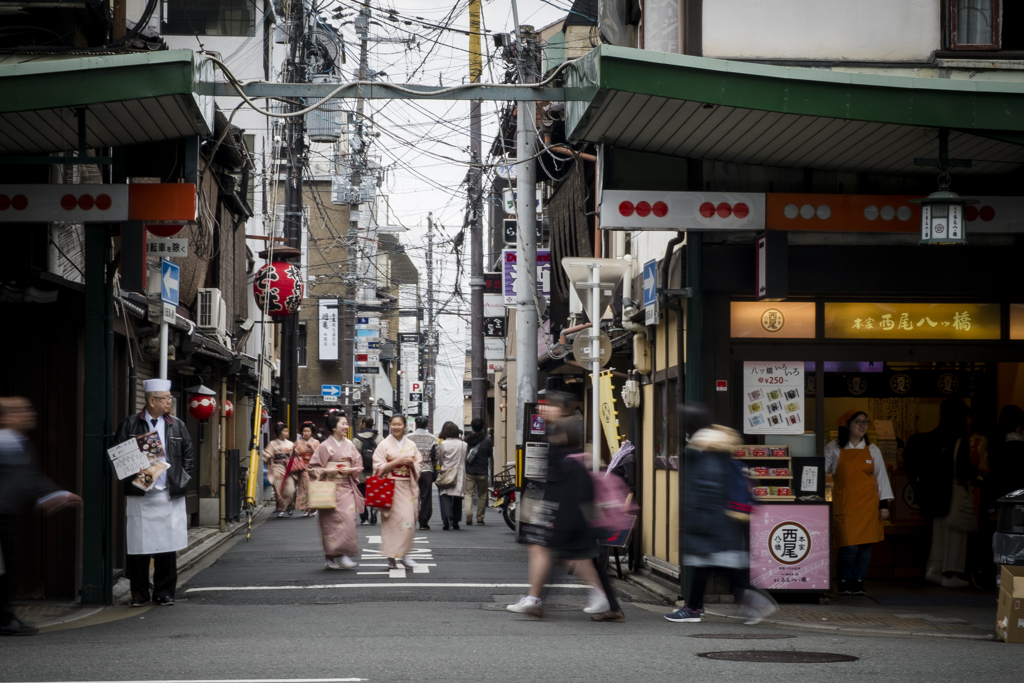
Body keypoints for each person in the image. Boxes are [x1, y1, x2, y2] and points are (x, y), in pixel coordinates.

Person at [664, 406, 776, 625]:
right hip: (721, 524)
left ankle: (699, 608)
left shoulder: (705, 452)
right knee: (712, 567)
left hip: (712, 524)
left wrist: (696, 524)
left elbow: (706, 492)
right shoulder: (715, 447)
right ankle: (695, 607)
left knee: (713, 566)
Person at [508, 391, 613, 620]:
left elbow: (567, 470)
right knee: (563, 552)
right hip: (560, 502)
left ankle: (599, 597)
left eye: (548, 406)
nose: (542, 409)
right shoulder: (557, 430)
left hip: (565, 503)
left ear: (560, 409)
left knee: (572, 554)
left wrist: (556, 513)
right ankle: (537, 599)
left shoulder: (564, 430)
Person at [0, 397, 82, 636]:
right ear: (5, 417)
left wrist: (55, 494)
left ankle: (5, 617)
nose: (29, 414)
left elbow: (30, 479)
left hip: (7, 515)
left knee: (8, 567)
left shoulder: (20, 443)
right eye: (20, 411)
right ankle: (5, 619)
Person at [114, 379, 194, 607]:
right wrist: (133, 470)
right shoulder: (130, 424)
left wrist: (184, 479)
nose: (170, 401)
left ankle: (164, 592)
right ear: (151, 400)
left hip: (168, 492)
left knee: (167, 546)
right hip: (141, 493)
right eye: (166, 398)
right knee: (139, 546)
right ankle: (139, 593)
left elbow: (188, 455)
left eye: (170, 398)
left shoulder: (177, 424)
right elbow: (117, 456)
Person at [904, 398, 976, 587]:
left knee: (938, 534)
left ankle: (934, 569)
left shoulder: (931, 436)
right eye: (968, 417)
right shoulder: (959, 437)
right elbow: (961, 470)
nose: (970, 421)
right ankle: (950, 573)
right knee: (955, 535)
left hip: (933, 495)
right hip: (952, 493)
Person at [824, 410, 894, 596]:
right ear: (847, 425)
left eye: (865, 422)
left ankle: (858, 581)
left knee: (865, 546)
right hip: (845, 504)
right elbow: (819, 471)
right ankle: (844, 581)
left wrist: (884, 504)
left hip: (868, 505)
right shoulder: (833, 448)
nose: (862, 425)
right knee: (849, 546)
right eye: (858, 422)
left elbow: (881, 478)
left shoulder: (873, 450)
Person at [308, 412, 364, 570]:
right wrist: (327, 471)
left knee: (348, 520)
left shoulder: (350, 445)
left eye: (347, 423)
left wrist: (350, 469)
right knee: (329, 524)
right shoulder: (325, 446)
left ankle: (343, 554)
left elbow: (358, 465)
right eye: (343, 423)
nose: (346, 426)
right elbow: (312, 467)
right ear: (333, 427)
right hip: (329, 488)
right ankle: (330, 556)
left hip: (346, 487)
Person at [372, 414, 422, 569]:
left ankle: (405, 555)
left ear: (405, 425)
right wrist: (397, 462)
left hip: (406, 486)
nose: (396, 427)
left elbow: (419, 465)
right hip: (389, 487)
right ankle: (391, 558)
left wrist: (412, 464)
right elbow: (377, 467)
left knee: (408, 522)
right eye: (393, 424)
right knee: (391, 524)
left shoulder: (411, 444)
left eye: (399, 424)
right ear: (389, 425)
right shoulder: (384, 445)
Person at [407, 416, 438, 530]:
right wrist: (432, 467)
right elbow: (435, 456)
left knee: (411, 496)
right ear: (426, 425)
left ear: (415, 424)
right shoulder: (432, 438)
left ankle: (411, 519)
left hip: (412, 470)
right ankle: (423, 522)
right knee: (426, 496)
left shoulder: (408, 438)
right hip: (426, 470)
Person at [435, 421, 467, 530]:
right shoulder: (463, 444)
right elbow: (464, 458)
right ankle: (456, 521)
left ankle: (447, 519)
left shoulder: (443, 444)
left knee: (445, 495)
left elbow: (440, 459)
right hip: (459, 472)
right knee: (457, 497)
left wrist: (444, 466)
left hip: (447, 471)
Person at [262, 423, 297, 519]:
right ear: (279, 432)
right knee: (279, 489)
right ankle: (281, 509)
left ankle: (290, 506)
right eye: (285, 431)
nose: (287, 433)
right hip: (277, 467)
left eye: (287, 431)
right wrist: (268, 455)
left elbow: (295, 455)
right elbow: (267, 453)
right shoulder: (272, 444)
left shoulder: (290, 444)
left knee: (291, 489)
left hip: (288, 467)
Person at [463, 417, 493, 526]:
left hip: (469, 472)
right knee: (482, 494)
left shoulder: (466, 439)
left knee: (468, 494)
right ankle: (480, 518)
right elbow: (489, 454)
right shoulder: (487, 440)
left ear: (472, 426)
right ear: (482, 427)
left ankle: (469, 516)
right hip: (482, 472)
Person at [352, 416, 381, 526]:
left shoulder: (356, 439)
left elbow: (353, 457)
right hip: (375, 472)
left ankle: (364, 518)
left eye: (361, 422)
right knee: (373, 493)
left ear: (364, 424)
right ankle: (374, 507)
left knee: (361, 496)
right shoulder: (379, 438)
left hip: (361, 473)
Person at [294, 422, 320, 518]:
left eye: (308, 431)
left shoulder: (316, 442)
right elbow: (293, 454)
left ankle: (312, 507)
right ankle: (306, 508)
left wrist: (312, 449)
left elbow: (319, 455)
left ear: (311, 432)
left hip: (313, 467)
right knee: (304, 488)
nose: (306, 433)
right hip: (302, 467)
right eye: (304, 431)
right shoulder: (297, 443)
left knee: (312, 487)